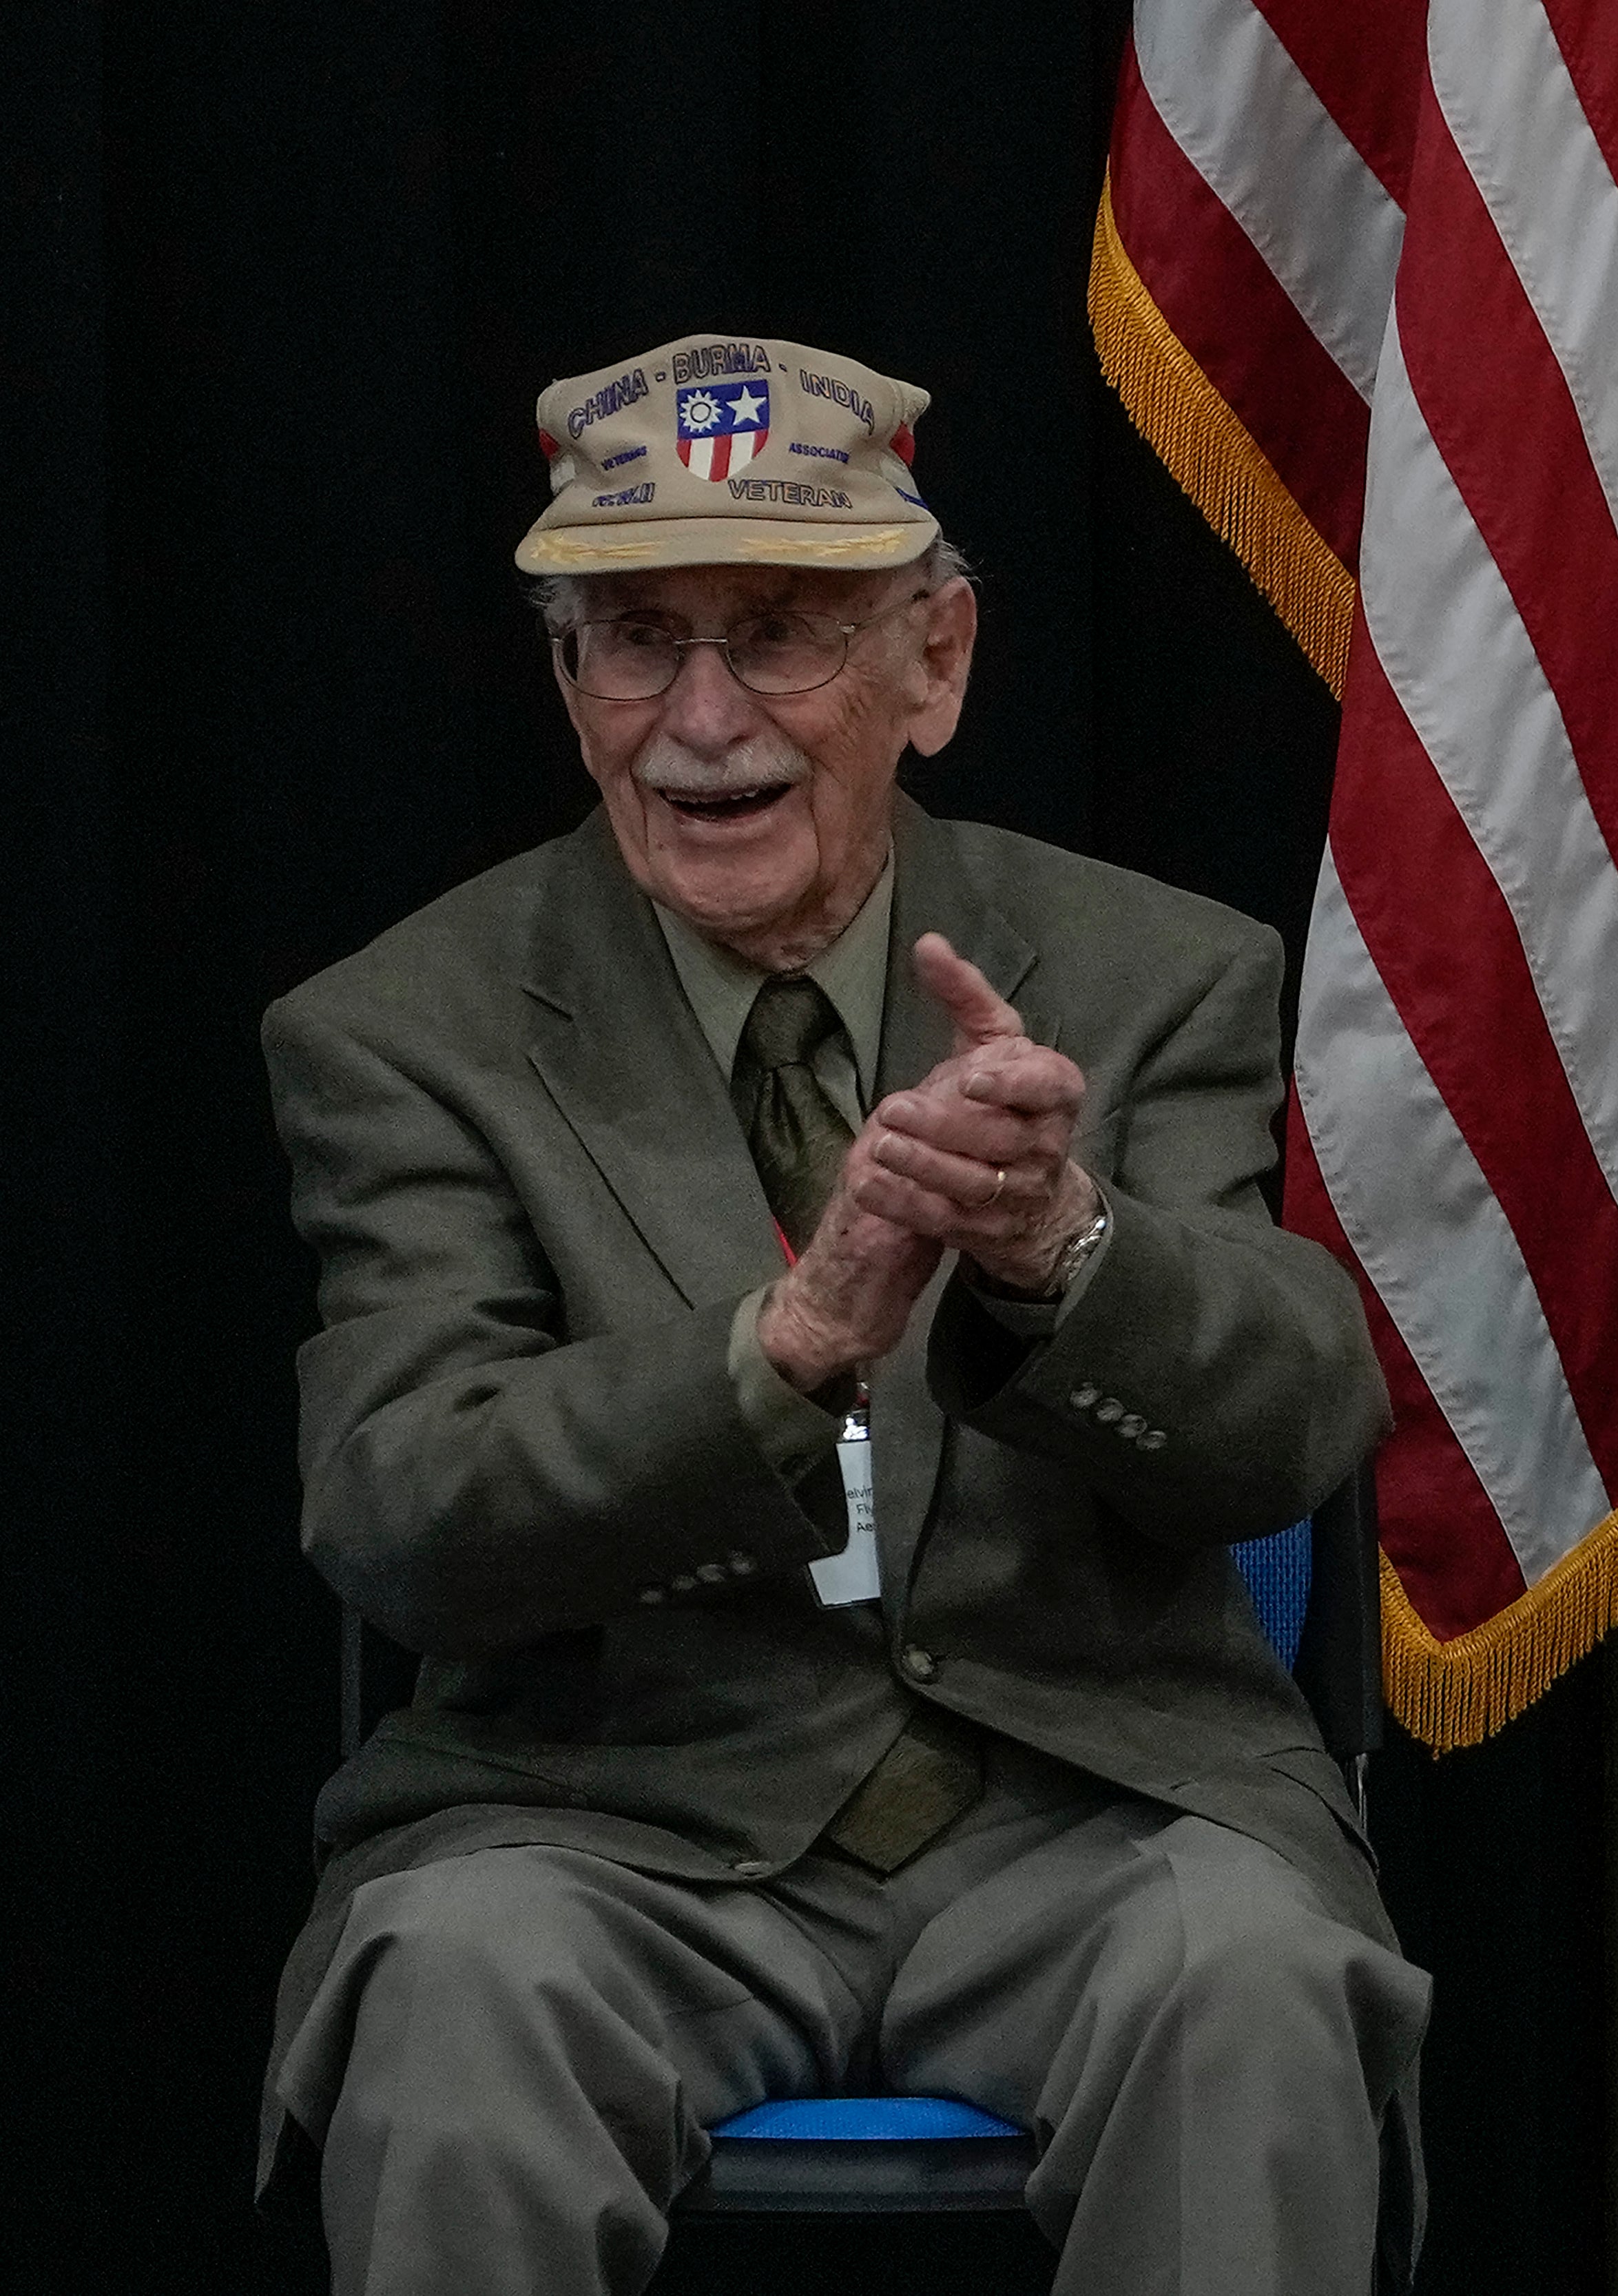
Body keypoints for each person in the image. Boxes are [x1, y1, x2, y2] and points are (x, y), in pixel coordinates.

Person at [255, 334, 1426, 2296]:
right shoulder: (408, 1032)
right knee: (452, 1994)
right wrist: (779, 1356)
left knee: (1257, 1983)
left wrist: (1064, 1247)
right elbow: (401, 1509)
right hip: (613, 1829)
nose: (703, 720)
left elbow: (1293, 1429)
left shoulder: (1153, 973)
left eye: (783, 634)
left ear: (935, 661)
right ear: (570, 684)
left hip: (1092, 1813)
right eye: (637, 642)